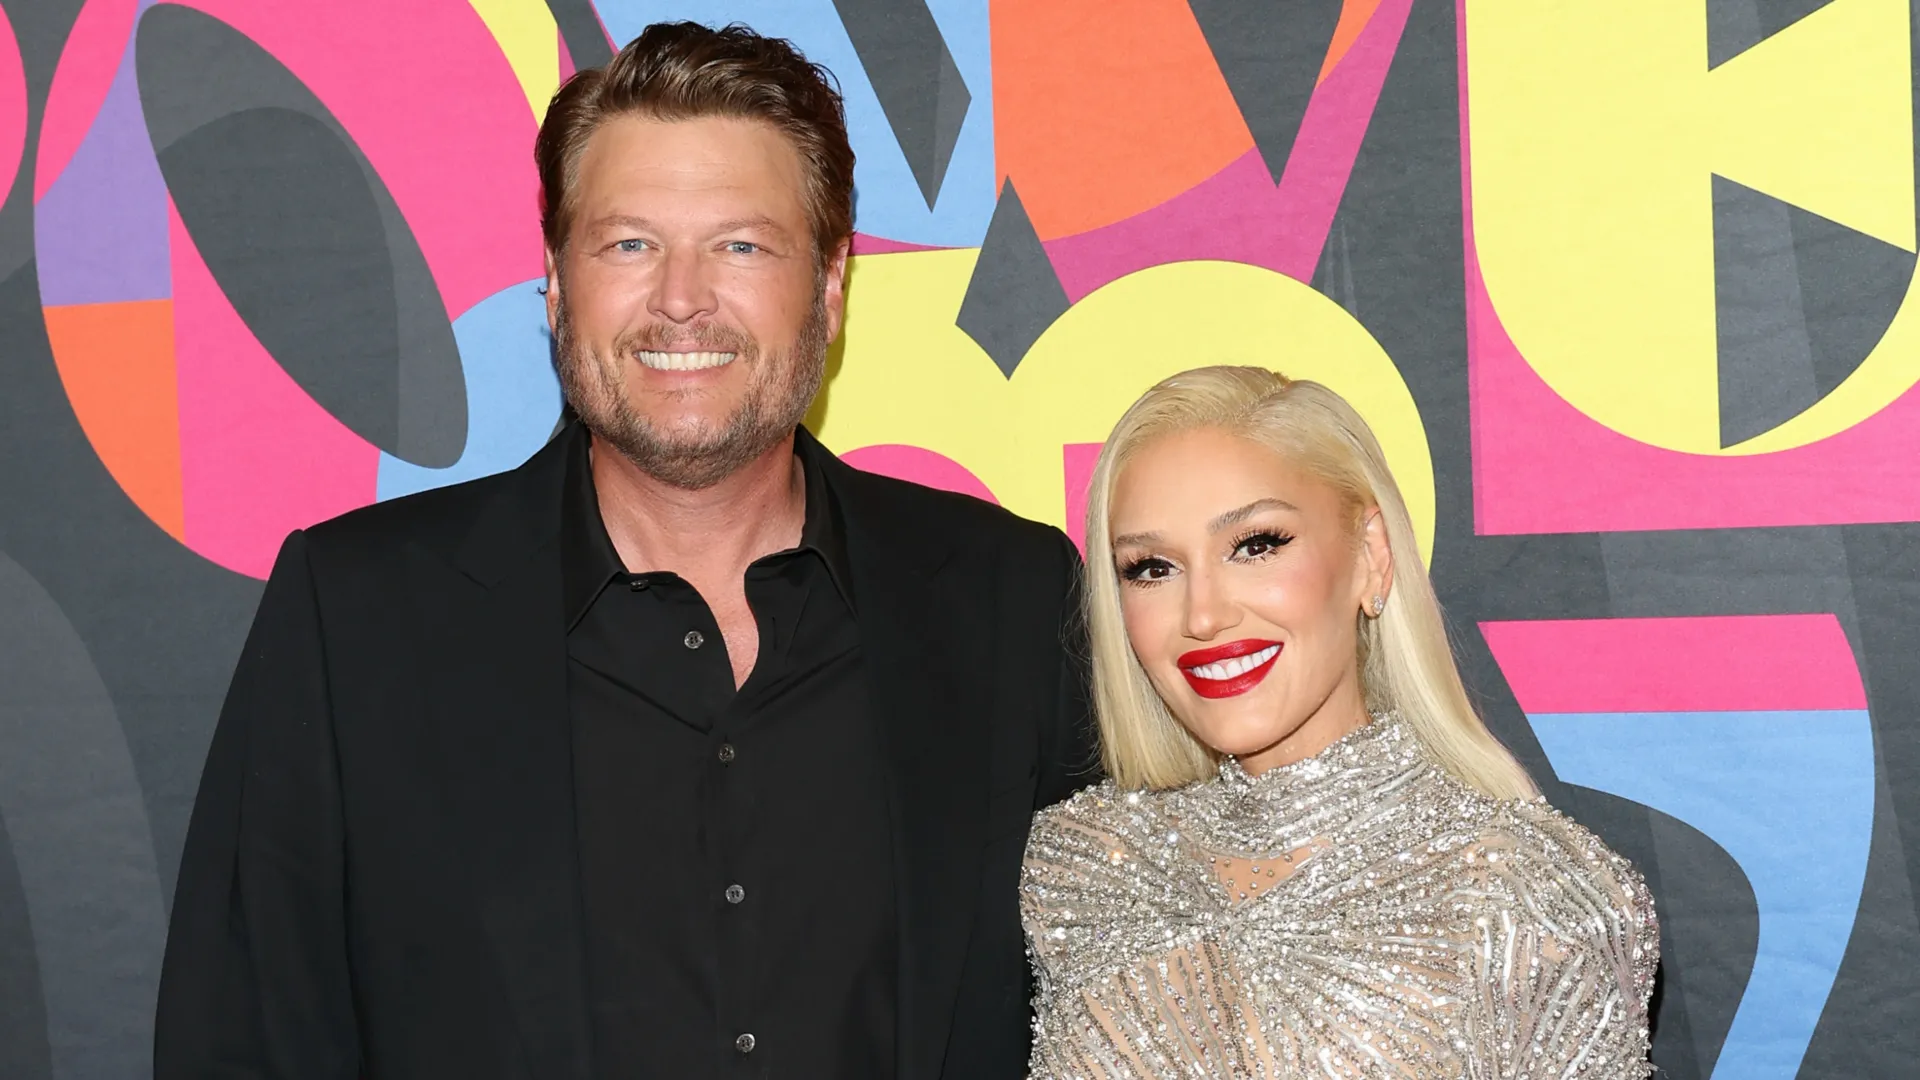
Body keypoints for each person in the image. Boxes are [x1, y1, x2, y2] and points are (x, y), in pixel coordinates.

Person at [155, 22, 1094, 1080]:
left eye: (741, 245)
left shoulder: (1011, 602)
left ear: (830, 288)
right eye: (629, 244)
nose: (681, 297)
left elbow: (1142, 1003)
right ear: (556, 280)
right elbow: (241, 1037)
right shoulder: (354, 618)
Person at [1022, 367, 1657, 1078]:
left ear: (1370, 556)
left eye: (1256, 544)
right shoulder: (1080, 867)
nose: (1203, 615)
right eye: (1151, 567)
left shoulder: (1528, 891)